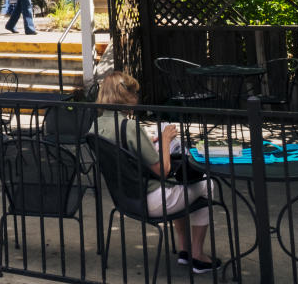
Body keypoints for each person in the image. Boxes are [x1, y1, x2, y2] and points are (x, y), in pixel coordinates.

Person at [93, 71, 219, 274]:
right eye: (134, 93)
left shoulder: (96, 126)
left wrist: (148, 143)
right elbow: (163, 171)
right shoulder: (129, 126)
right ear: (125, 96)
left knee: (183, 185)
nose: (137, 98)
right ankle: (197, 255)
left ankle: (185, 250)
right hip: (150, 199)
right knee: (206, 184)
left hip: (125, 198)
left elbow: (123, 151)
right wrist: (166, 139)